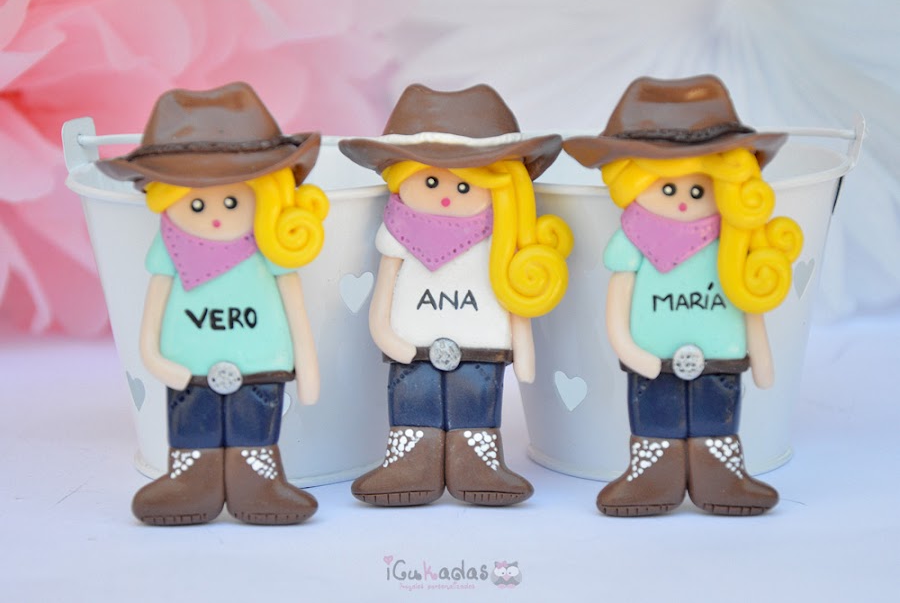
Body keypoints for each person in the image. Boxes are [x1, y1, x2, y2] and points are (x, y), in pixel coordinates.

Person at [564, 75, 802, 516]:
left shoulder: (734, 239)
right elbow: (618, 301)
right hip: (652, 360)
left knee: (717, 418)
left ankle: (722, 477)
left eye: (698, 189)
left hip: (721, 358)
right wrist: (626, 348)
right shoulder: (632, 240)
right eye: (667, 187)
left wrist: (762, 356)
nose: (681, 201)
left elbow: (747, 298)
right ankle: (652, 477)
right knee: (655, 418)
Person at [98, 82, 328, 525]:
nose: (217, 215)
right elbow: (153, 311)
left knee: (254, 430)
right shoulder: (170, 248)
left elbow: (294, 309)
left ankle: (259, 484)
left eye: (232, 199)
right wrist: (155, 359)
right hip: (189, 371)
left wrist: (308, 369)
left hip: (261, 366)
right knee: (193, 430)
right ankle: (191, 484)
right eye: (197, 203)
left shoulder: (270, 247)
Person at [340, 84, 572, 506]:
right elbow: (384, 290)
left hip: (481, 349)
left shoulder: (501, 238)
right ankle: (410, 464)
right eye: (430, 181)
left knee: (476, 406)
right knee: (413, 405)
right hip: (412, 348)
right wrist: (384, 334)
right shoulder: (397, 234)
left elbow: (512, 291)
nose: (447, 194)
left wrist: (523, 348)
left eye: (466, 185)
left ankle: (479, 464)